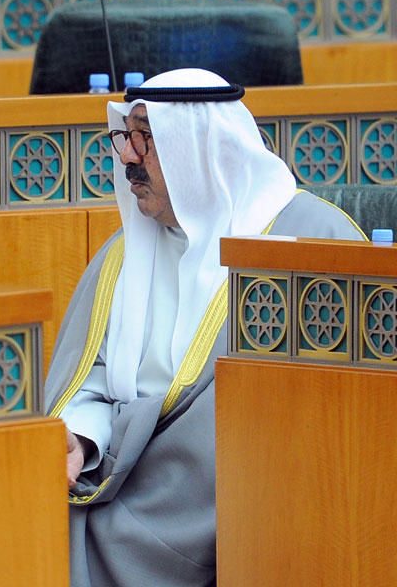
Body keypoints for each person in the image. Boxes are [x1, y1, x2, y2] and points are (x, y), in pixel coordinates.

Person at [44, 68, 366, 586]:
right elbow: (89, 380)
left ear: (199, 147)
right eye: (125, 136)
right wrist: (82, 439)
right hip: (116, 477)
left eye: (146, 139)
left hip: (241, 496)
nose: (127, 157)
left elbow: (341, 412)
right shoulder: (124, 253)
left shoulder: (314, 241)